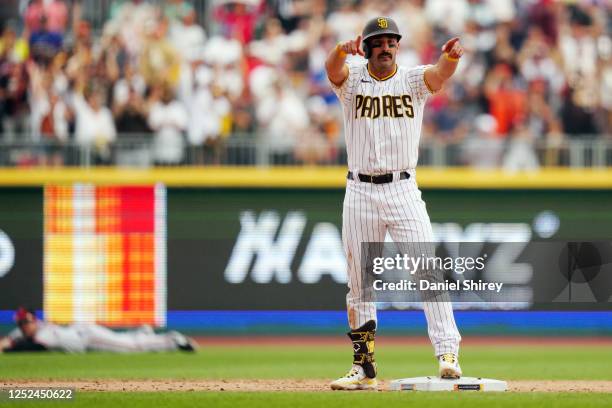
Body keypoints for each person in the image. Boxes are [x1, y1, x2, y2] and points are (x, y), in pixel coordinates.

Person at [325, 16, 464, 390]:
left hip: (402, 188)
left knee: (427, 270)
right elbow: (332, 70)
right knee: (360, 282)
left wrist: (450, 58)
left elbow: (439, 75)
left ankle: (448, 353)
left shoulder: (412, 79)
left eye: (391, 42)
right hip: (359, 190)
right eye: (379, 41)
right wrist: (341, 49)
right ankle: (363, 366)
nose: (386, 47)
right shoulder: (353, 78)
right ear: (367, 46)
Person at [0, 307, 196, 353]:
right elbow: (10, 338)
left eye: (26, 322)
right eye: (21, 323)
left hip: (88, 337)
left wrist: (8, 348)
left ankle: (171, 340)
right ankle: (143, 333)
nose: (24, 326)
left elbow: (34, 346)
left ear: (34, 320)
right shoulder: (26, 332)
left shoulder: (42, 334)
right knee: (127, 341)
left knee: (130, 348)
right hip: (81, 332)